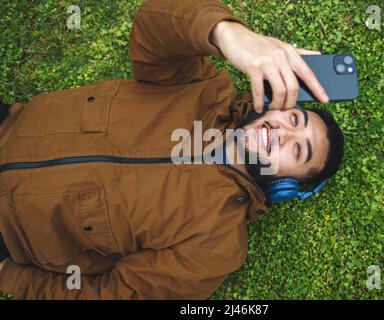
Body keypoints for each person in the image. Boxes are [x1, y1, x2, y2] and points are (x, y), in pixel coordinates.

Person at [0, 0, 343, 299]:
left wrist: (10, 276)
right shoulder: (205, 87)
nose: (286, 134)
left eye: (299, 152)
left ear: (284, 185)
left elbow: (111, 295)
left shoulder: (214, 248)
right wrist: (229, 35)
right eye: (295, 119)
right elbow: (151, 29)